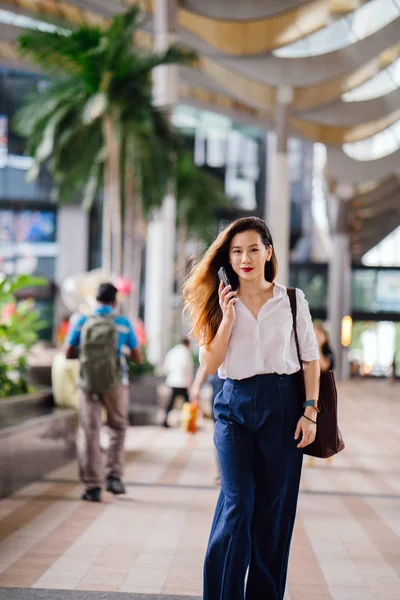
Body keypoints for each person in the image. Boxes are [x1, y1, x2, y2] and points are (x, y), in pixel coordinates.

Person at [182, 217, 320, 600]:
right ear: (228, 256)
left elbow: (310, 359)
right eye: (237, 251)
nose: (245, 258)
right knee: (238, 500)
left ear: (268, 253)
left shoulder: (292, 300)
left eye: (253, 249)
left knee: (272, 513)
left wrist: (310, 410)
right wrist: (227, 318)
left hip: (283, 404)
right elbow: (210, 365)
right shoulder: (218, 301)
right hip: (234, 405)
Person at [65, 282, 141, 502]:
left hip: (88, 383)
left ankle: (92, 486)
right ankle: (114, 477)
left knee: (90, 431)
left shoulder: (82, 321)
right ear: (115, 301)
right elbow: (137, 356)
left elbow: (68, 352)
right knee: (117, 427)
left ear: (96, 300)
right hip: (116, 382)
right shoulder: (123, 323)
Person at [190, 366, 223, 483]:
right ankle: (222, 471)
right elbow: (206, 361)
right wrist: (196, 386)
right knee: (222, 432)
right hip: (222, 388)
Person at [162, 338, 194, 428]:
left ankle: (165, 420)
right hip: (183, 382)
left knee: (171, 403)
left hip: (172, 381)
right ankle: (189, 422)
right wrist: (189, 383)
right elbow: (187, 368)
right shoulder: (186, 352)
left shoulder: (172, 352)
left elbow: (166, 367)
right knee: (187, 403)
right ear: (187, 344)